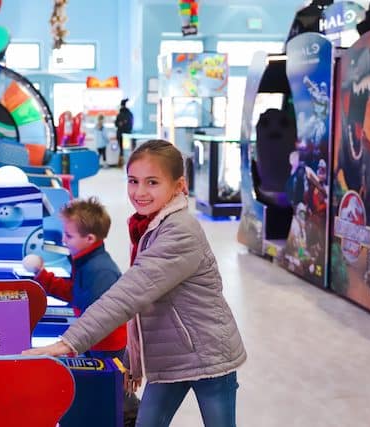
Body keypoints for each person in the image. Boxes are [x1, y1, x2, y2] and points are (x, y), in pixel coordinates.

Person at [24, 139, 247, 427]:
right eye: (133, 181)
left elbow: (130, 293)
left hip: (209, 354)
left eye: (152, 182)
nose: (140, 192)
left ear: (179, 186)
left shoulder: (180, 232)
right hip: (170, 357)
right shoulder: (149, 226)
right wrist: (133, 357)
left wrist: (69, 342)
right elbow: (148, 304)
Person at [22, 196, 126, 359]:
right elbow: (74, 292)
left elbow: (98, 319)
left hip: (106, 347)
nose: (63, 240)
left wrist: (70, 347)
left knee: (105, 384)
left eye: (69, 236)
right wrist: (42, 276)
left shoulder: (101, 271)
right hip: (94, 341)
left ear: (89, 239)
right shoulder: (85, 260)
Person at [115, 98, 133, 167]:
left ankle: (121, 164)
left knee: (121, 149)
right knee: (126, 149)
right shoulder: (129, 114)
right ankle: (126, 164)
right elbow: (131, 125)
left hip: (119, 134)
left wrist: (120, 124)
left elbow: (116, 124)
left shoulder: (119, 114)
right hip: (127, 135)